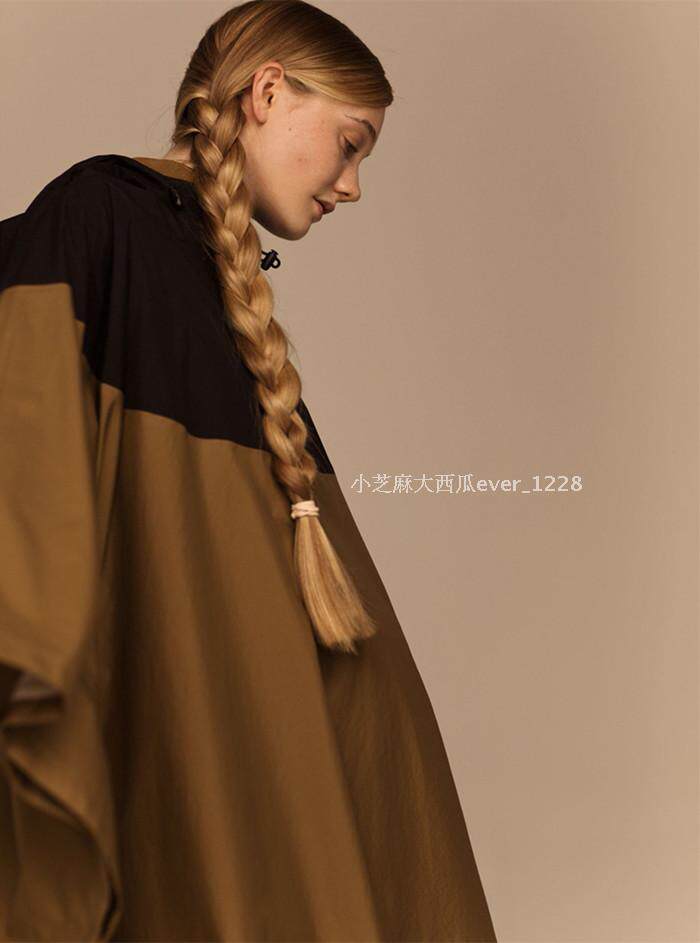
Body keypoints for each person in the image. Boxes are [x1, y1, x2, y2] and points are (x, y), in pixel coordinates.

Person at [0, 1, 497, 940]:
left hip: (251, 742)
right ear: (267, 92)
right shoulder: (104, 212)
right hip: (176, 729)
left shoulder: (209, 276)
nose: (352, 186)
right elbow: (30, 440)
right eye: (350, 143)